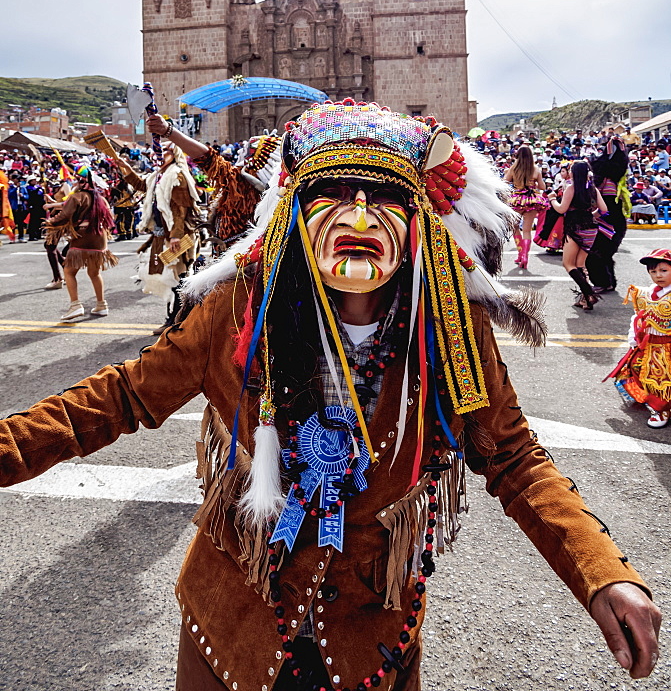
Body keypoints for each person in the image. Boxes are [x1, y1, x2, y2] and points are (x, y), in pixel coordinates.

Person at [0, 101, 661, 690]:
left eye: (383, 198)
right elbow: (119, 397)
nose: (359, 214)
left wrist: (600, 569)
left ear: (420, 227)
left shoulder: (447, 326)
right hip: (230, 632)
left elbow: (511, 457)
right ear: (294, 214)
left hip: (371, 643)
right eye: (334, 194)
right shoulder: (237, 310)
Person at [146, 114, 281, 256]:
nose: (240, 151)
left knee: (167, 272)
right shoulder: (269, 192)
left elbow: (209, 158)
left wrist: (168, 131)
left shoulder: (241, 185)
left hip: (233, 263)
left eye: (245, 149)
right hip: (235, 258)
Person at [122, 144, 201, 334]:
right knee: (169, 277)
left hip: (178, 236)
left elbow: (181, 209)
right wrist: (125, 168)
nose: (159, 154)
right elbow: (143, 186)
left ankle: (177, 319)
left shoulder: (176, 175)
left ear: (174, 155)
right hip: (163, 234)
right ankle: (180, 317)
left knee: (178, 276)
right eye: (158, 151)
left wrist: (175, 236)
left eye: (165, 151)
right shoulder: (159, 175)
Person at [605, 248, 671, 429]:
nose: (658, 275)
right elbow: (637, 317)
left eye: (664, 270)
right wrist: (633, 338)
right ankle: (660, 409)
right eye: (653, 271)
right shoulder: (646, 293)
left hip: (668, 346)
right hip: (649, 346)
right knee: (645, 374)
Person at [44, 165, 117, 321]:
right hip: (99, 240)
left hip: (83, 239)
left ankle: (75, 305)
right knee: (94, 272)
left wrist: (50, 223)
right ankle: (101, 305)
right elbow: (110, 219)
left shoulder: (77, 197)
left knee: (69, 271)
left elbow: (64, 216)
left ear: (80, 181)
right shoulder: (101, 199)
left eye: (77, 181)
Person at [547, 160, 608, 310]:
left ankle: (589, 294)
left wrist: (552, 199)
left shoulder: (571, 188)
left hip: (575, 228)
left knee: (568, 264)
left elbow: (561, 209)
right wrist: (592, 214)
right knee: (580, 264)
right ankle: (585, 300)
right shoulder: (592, 189)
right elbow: (604, 209)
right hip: (591, 228)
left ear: (573, 173)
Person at [586, 135, 630, 293]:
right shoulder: (615, 183)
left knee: (596, 254)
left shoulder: (607, 186)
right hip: (615, 224)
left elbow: (606, 209)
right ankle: (608, 282)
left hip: (608, 225)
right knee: (604, 255)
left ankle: (603, 282)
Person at [504, 145, 548, 269]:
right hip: (531, 200)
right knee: (527, 231)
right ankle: (525, 256)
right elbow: (542, 187)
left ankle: (520, 253)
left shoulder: (513, 168)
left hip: (516, 200)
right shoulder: (535, 169)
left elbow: (505, 183)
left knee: (514, 227)